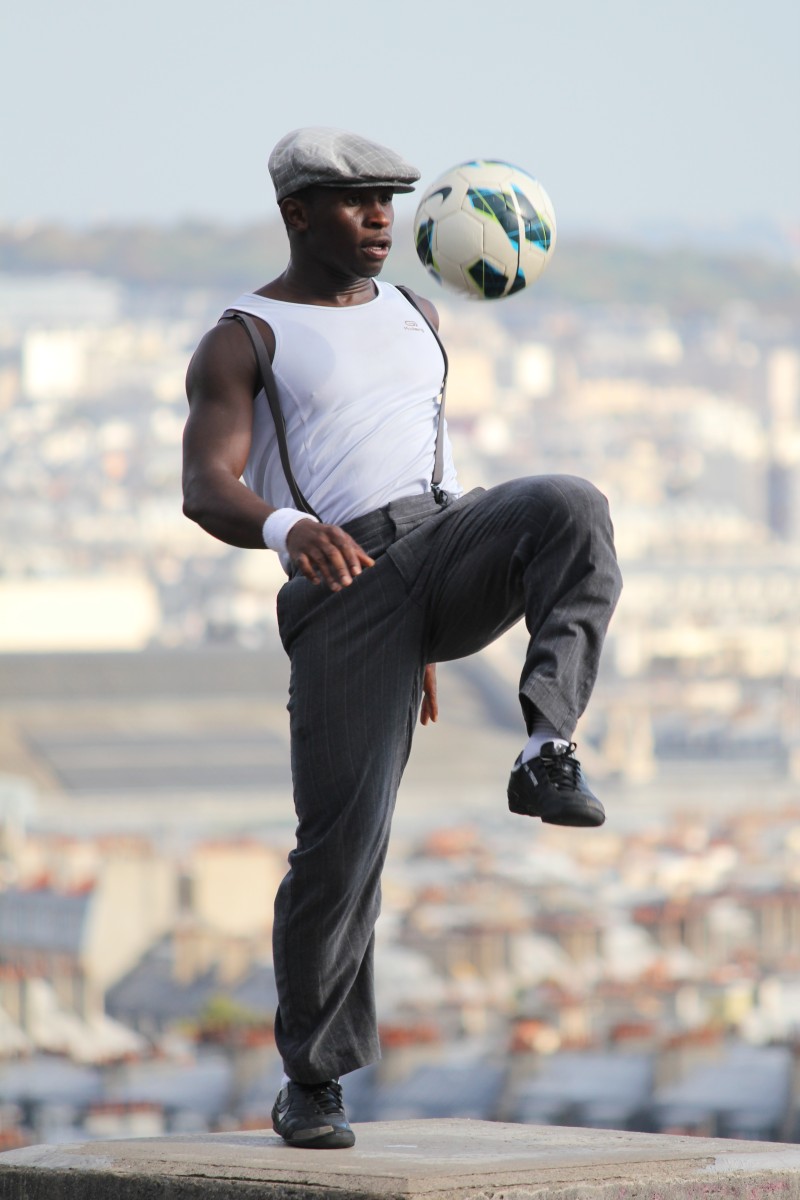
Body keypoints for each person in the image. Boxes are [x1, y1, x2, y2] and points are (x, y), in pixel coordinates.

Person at [182, 127, 622, 1150]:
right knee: (341, 846)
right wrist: (292, 532)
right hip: (341, 588)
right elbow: (208, 485)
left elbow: (426, 461)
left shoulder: (418, 314)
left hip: (436, 539)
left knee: (569, 504)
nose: (381, 216)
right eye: (355, 201)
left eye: (389, 197)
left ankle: (543, 746)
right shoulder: (244, 336)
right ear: (296, 214)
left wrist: (436, 620)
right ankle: (312, 1079)